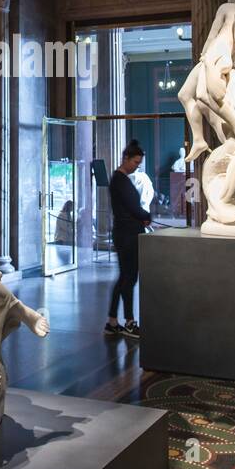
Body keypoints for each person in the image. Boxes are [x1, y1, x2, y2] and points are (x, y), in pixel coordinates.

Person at [106, 139, 150, 339]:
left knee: (125, 278)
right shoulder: (120, 180)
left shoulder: (120, 179)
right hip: (127, 235)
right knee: (129, 277)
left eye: (138, 164)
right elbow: (134, 207)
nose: (136, 167)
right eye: (135, 162)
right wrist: (145, 217)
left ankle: (113, 321)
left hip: (126, 233)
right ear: (126, 158)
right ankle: (129, 322)